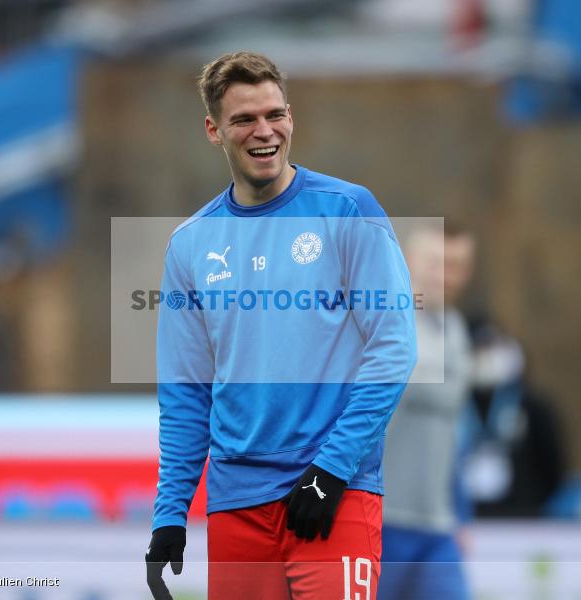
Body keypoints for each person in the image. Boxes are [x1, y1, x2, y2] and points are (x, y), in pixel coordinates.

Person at [144, 51, 417, 600]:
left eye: (275, 115)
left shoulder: (346, 210)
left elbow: (393, 349)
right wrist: (170, 514)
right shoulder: (190, 244)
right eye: (244, 119)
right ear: (214, 131)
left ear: (291, 117)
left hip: (334, 495)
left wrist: (332, 469)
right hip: (236, 507)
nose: (263, 131)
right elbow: (185, 396)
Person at [379, 224, 474, 600]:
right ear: (409, 261)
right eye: (437, 263)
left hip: (437, 526)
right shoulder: (384, 323)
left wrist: (460, 511)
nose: (446, 275)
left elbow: (452, 434)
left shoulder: (457, 331)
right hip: (381, 521)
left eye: (456, 265)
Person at [461, 317, 567, 518]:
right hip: (464, 519)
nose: (485, 356)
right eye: (478, 348)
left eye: (491, 346)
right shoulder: (452, 404)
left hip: (521, 518)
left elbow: (553, 466)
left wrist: (533, 504)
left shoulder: (532, 406)